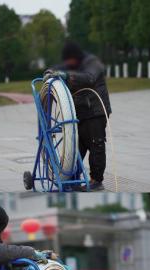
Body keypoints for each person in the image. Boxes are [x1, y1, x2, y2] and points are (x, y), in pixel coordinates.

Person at [44, 41, 112, 191]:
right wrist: (51, 71)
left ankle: (96, 180)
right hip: (79, 112)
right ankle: (73, 178)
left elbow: (89, 77)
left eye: (69, 60)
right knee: (76, 147)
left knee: (96, 144)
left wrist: (66, 76)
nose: (67, 63)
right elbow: (60, 69)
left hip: (95, 110)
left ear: (76, 57)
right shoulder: (71, 66)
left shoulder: (92, 62)